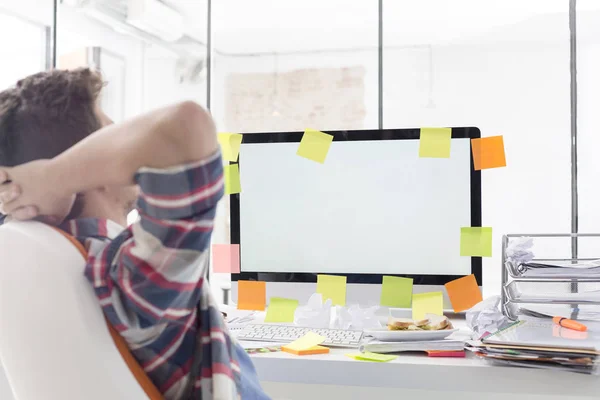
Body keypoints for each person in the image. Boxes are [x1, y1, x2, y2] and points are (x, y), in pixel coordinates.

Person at [0, 69, 269, 400]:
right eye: (112, 137)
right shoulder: (130, 276)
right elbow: (186, 126)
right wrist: (52, 177)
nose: (128, 151)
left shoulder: (63, 266)